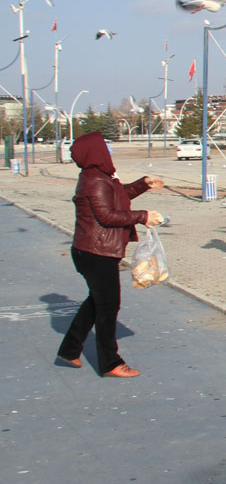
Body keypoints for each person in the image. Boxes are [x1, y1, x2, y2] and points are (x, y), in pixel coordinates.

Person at [57, 132, 165, 378]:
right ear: (96, 151)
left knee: (96, 302)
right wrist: (142, 216)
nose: (109, 150)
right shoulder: (94, 180)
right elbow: (106, 216)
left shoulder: (100, 176)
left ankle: (70, 349)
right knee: (108, 307)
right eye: (105, 147)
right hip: (96, 253)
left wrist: (143, 184)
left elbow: (118, 197)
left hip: (95, 251)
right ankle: (110, 362)